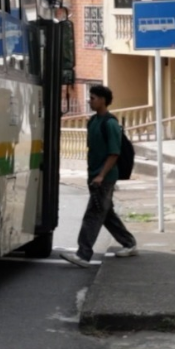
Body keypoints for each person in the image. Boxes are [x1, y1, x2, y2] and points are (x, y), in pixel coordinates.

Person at [61, 85, 138, 267]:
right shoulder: (93, 121)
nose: (90, 100)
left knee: (93, 214)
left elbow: (114, 153)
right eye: (90, 97)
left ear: (103, 100)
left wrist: (101, 175)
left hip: (104, 177)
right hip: (94, 175)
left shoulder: (109, 123)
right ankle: (129, 243)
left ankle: (83, 254)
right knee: (105, 212)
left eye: (93, 97)